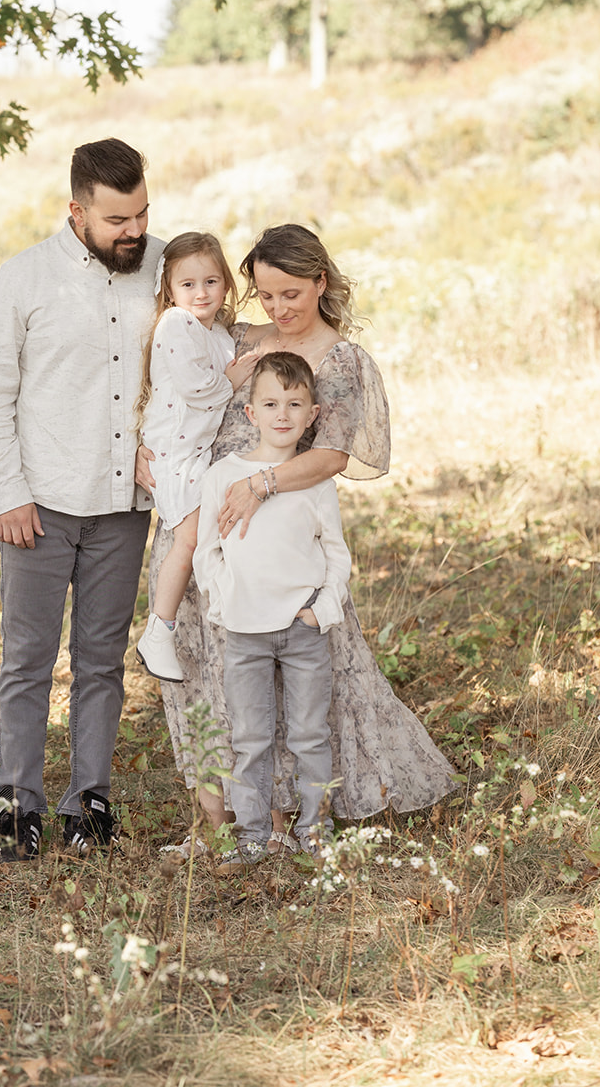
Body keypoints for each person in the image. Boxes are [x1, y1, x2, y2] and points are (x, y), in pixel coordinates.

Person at [143, 223, 456, 843]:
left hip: (280, 539)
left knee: (297, 682)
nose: (278, 309)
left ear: (320, 281)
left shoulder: (339, 361)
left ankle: (288, 812)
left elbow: (332, 455)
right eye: (265, 295)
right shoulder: (226, 334)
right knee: (207, 675)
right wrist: (142, 457)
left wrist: (260, 485)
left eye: (292, 294)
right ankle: (218, 818)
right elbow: (171, 393)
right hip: (201, 529)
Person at [0, 137, 163, 860]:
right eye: (117, 220)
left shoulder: (168, 269)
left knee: (101, 661)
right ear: (76, 210)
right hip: (40, 505)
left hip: (123, 507)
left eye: (141, 213)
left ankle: (89, 803)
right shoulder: (23, 278)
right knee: (26, 660)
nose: (133, 231)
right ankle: (16, 805)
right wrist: (8, 494)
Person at [194, 352, 352, 863]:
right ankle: (253, 834)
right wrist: (224, 602)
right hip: (243, 631)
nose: (282, 414)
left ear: (312, 414)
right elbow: (206, 553)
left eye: (293, 404)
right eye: (270, 403)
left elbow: (335, 553)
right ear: (250, 413)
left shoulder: (312, 480)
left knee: (309, 733)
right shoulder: (224, 476)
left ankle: (312, 830)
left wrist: (321, 609)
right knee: (250, 738)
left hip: (303, 627)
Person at [134, 233, 260, 683]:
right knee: (188, 539)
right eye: (188, 284)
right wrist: (232, 378)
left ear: (225, 284)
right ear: (170, 288)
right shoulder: (176, 325)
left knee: (211, 534)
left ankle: (224, 608)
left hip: (198, 453)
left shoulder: (220, 334)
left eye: (211, 281)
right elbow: (199, 389)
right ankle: (158, 633)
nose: (201, 293)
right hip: (173, 451)